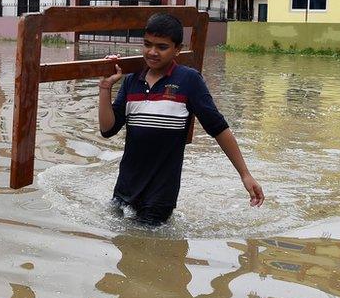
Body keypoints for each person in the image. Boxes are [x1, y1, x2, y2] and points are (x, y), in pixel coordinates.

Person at [98, 13, 264, 225]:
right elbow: (107, 129)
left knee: (150, 251)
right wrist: (105, 88)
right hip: (124, 189)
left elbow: (219, 129)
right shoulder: (132, 82)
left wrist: (245, 174)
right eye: (147, 44)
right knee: (122, 249)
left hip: (160, 196)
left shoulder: (188, 80)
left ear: (177, 49)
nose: (152, 52)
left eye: (162, 47)